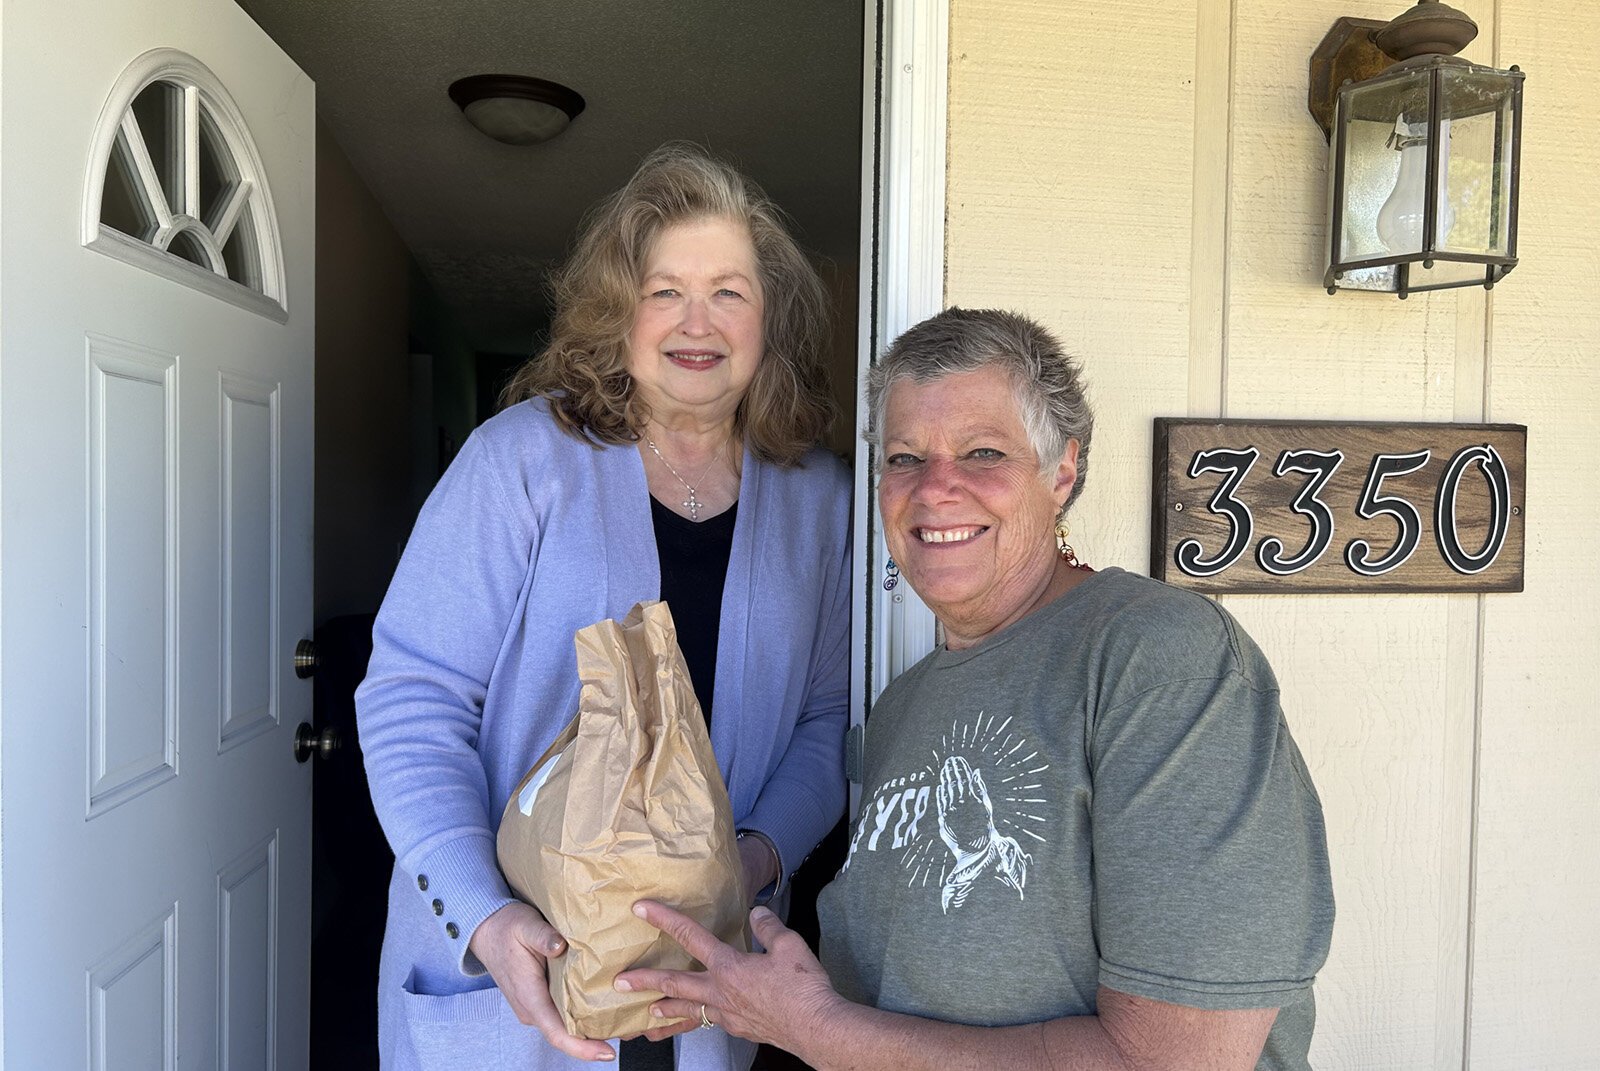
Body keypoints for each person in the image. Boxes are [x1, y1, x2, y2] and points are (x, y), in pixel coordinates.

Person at [616, 308, 1335, 1071]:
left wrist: (820, 1030)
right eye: (904, 459)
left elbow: (1176, 1061)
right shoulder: (900, 708)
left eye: (983, 452)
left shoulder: (1162, 661)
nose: (935, 489)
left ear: (1061, 472)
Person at [354, 143, 852, 1070]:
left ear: (770, 316)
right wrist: (486, 915)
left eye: (730, 291)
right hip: (520, 974)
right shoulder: (520, 463)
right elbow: (411, 699)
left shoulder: (820, 500)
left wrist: (748, 862)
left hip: (711, 980)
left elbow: (827, 724)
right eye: (664, 290)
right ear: (618, 312)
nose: (695, 321)